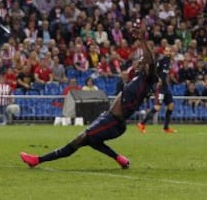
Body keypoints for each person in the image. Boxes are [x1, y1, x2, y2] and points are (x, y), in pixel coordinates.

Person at [20, 27, 157, 169]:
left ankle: (37, 160)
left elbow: (151, 59)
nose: (139, 62)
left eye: (142, 61)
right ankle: (120, 159)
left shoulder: (147, 80)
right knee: (90, 140)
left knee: (81, 139)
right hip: (108, 118)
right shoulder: (139, 78)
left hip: (114, 122)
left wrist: (142, 41)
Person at [137, 46, 177, 133]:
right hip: (160, 87)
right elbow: (154, 71)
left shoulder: (169, 61)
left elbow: (165, 74)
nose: (168, 53)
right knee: (157, 107)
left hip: (165, 87)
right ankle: (142, 123)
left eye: (170, 51)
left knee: (171, 105)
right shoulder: (161, 61)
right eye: (167, 51)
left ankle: (166, 128)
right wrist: (157, 79)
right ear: (164, 52)